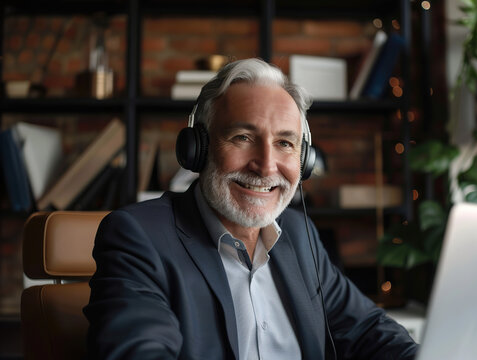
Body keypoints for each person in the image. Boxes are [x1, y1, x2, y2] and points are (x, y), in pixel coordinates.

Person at [84, 58, 418, 359]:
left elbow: (368, 331)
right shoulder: (138, 236)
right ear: (197, 148)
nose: (266, 166)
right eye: (243, 137)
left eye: (285, 143)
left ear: (304, 160)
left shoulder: (300, 234)